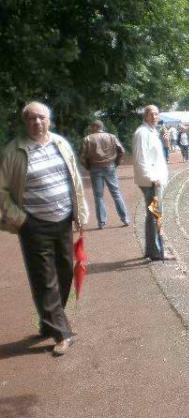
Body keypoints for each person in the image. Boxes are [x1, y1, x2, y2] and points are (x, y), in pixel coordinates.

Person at [0, 101, 89, 355]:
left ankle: (48, 321)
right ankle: (62, 332)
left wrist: (79, 212)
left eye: (41, 118)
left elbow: (74, 180)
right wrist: (20, 218)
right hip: (33, 223)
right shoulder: (13, 151)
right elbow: (2, 190)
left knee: (64, 273)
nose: (37, 122)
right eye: (31, 119)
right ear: (25, 122)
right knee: (44, 279)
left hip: (62, 220)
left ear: (49, 120)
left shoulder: (61, 144)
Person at [132, 105, 174, 261]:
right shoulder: (142, 133)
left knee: (152, 215)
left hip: (154, 180)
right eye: (151, 114)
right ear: (145, 116)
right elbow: (140, 157)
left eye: (156, 114)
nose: (154, 117)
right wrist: (152, 178)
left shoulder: (151, 132)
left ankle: (152, 250)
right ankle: (157, 252)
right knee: (156, 215)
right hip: (151, 182)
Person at [80, 119, 129, 229]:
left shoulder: (87, 139)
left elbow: (82, 157)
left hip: (95, 168)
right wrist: (116, 163)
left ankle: (101, 222)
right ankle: (125, 218)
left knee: (98, 196)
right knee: (116, 193)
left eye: (91, 127)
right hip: (110, 166)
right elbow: (121, 150)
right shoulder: (111, 137)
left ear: (94, 127)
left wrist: (88, 167)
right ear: (102, 127)